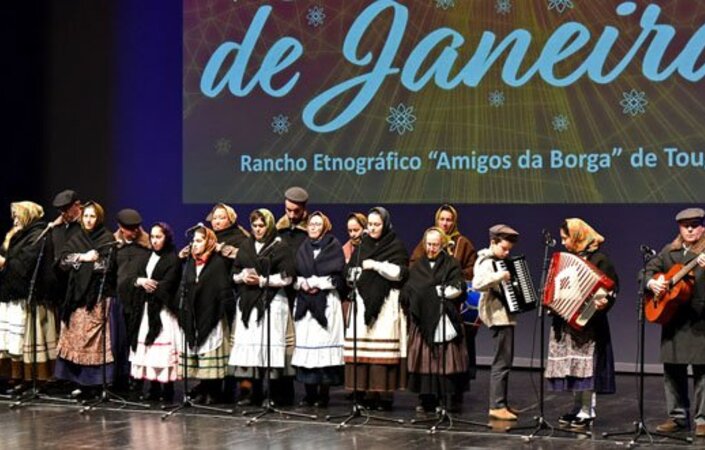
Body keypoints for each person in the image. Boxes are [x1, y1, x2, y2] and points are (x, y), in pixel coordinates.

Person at [545, 218, 618, 430]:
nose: (563, 242)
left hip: (589, 324)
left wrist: (604, 301)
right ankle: (577, 407)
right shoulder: (565, 259)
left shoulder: (599, 259)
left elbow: (611, 288)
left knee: (586, 368)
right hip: (565, 323)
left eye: (565, 238)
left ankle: (587, 410)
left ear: (578, 236)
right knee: (574, 368)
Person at [646, 208, 705, 436]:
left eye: (694, 225)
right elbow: (646, 271)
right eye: (685, 226)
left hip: (699, 320)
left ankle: (702, 419)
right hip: (673, 320)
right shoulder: (669, 251)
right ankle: (678, 417)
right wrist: (652, 283)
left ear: (702, 227)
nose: (689, 229)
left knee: (702, 372)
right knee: (672, 371)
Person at [410, 204, 478, 398]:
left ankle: (453, 393)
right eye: (442, 219)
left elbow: (472, 268)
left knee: (453, 354)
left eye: (449, 220)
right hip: (428, 306)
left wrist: (451, 276)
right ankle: (428, 395)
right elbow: (414, 265)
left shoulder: (462, 243)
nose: (445, 223)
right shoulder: (427, 240)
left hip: (452, 305)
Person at [344, 207, 409, 410]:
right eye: (370, 224)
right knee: (363, 349)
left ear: (385, 224)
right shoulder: (362, 245)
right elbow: (350, 270)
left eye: (376, 224)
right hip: (363, 302)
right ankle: (363, 393)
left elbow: (400, 272)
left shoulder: (395, 245)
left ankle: (384, 395)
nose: (372, 228)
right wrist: (356, 272)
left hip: (386, 304)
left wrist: (376, 265)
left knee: (382, 351)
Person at [229, 209, 295, 406]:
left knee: (269, 346)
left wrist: (262, 280)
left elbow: (287, 276)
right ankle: (251, 392)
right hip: (248, 302)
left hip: (272, 302)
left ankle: (273, 394)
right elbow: (234, 272)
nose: (257, 230)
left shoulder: (280, 246)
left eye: (261, 226)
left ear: (269, 226)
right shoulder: (246, 246)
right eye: (254, 226)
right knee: (251, 347)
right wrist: (242, 277)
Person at [54, 201, 117, 398]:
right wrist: (83, 258)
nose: (89, 220)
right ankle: (79, 382)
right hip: (75, 296)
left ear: (99, 218)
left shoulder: (106, 238)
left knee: (92, 339)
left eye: (92, 216)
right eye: (86, 216)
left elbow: (107, 266)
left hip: (95, 296)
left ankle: (96, 384)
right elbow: (63, 261)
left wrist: (91, 262)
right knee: (75, 338)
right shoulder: (77, 237)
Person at [404, 227, 468, 412]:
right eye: (429, 244)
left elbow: (458, 286)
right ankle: (426, 399)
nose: (431, 249)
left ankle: (445, 398)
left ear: (442, 245)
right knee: (424, 360)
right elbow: (410, 289)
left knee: (445, 359)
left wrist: (438, 292)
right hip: (423, 319)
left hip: (443, 316)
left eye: (435, 245)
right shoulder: (418, 266)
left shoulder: (451, 264)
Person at [0, 202, 58, 390]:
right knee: (13, 339)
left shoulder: (37, 235)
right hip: (12, 292)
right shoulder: (19, 235)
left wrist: (4, 263)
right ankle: (14, 375)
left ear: (27, 215)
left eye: (17, 215)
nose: (14, 219)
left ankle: (31, 378)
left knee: (28, 340)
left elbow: (26, 264)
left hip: (29, 297)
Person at [291, 212, 346, 407]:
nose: (313, 227)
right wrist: (302, 283)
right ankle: (309, 394)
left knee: (324, 350)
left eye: (317, 224)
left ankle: (324, 394)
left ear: (325, 227)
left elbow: (339, 277)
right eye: (311, 224)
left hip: (326, 303)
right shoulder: (303, 247)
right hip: (305, 302)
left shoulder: (333, 246)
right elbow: (294, 274)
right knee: (307, 349)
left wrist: (318, 283)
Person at [123, 223, 182, 402]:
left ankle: (167, 388)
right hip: (145, 309)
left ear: (166, 238)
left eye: (159, 237)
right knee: (148, 351)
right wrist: (140, 281)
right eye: (153, 237)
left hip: (162, 310)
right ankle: (153, 387)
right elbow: (132, 277)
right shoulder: (146, 256)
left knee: (161, 350)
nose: (155, 241)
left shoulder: (172, 258)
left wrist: (152, 287)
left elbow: (170, 283)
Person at [179, 226, 233, 404]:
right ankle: (202, 389)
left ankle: (214, 391)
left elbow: (222, 290)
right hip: (194, 314)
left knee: (210, 351)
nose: (195, 244)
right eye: (193, 241)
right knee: (198, 354)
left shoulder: (217, 263)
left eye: (199, 241)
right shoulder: (189, 263)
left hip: (211, 315)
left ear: (209, 242)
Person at [472, 224, 520, 421]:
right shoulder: (486, 261)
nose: (507, 253)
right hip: (497, 316)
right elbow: (477, 284)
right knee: (501, 361)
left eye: (509, 250)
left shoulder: (500, 261)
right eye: (504, 248)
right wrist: (500, 275)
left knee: (506, 361)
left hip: (505, 316)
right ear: (493, 242)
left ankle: (502, 402)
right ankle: (496, 406)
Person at [114, 208, 151, 394]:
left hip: (140, 300)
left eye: (137, 227)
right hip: (120, 300)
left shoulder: (146, 246)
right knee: (120, 341)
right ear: (120, 227)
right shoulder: (114, 247)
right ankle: (120, 379)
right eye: (130, 228)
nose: (134, 231)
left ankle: (137, 380)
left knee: (137, 340)